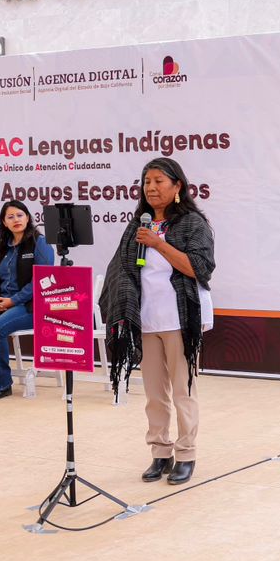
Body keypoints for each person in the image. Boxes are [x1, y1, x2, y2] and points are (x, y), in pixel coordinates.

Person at [100, 157, 216, 486]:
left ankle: (186, 454)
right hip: (146, 319)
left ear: (177, 186)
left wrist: (158, 244)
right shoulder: (139, 224)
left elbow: (198, 268)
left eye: (158, 181)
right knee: (154, 393)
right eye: (146, 182)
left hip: (181, 319)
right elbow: (122, 267)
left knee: (183, 391)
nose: (150, 188)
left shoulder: (193, 223)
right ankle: (160, 452)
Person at [0, 200, 54, 401]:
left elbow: (41, 281)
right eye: (10, 217)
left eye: (20, 215)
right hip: (1, 303)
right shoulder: (2, 247)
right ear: (4, 223)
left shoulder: (40, 243)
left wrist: (13, 301)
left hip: (30, 306)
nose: (16, 220)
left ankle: (1, 384)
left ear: (28, 218)